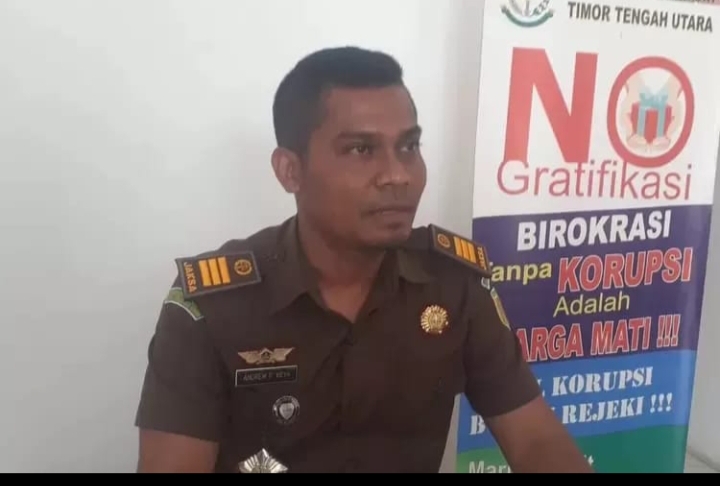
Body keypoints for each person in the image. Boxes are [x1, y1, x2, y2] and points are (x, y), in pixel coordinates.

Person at [134, 46, 593, 474]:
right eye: (361, 150)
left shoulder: (454, 285)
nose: (397, 175)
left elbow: (535, 442)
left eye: (408, 147)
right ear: (290, 170)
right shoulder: (212, 307)